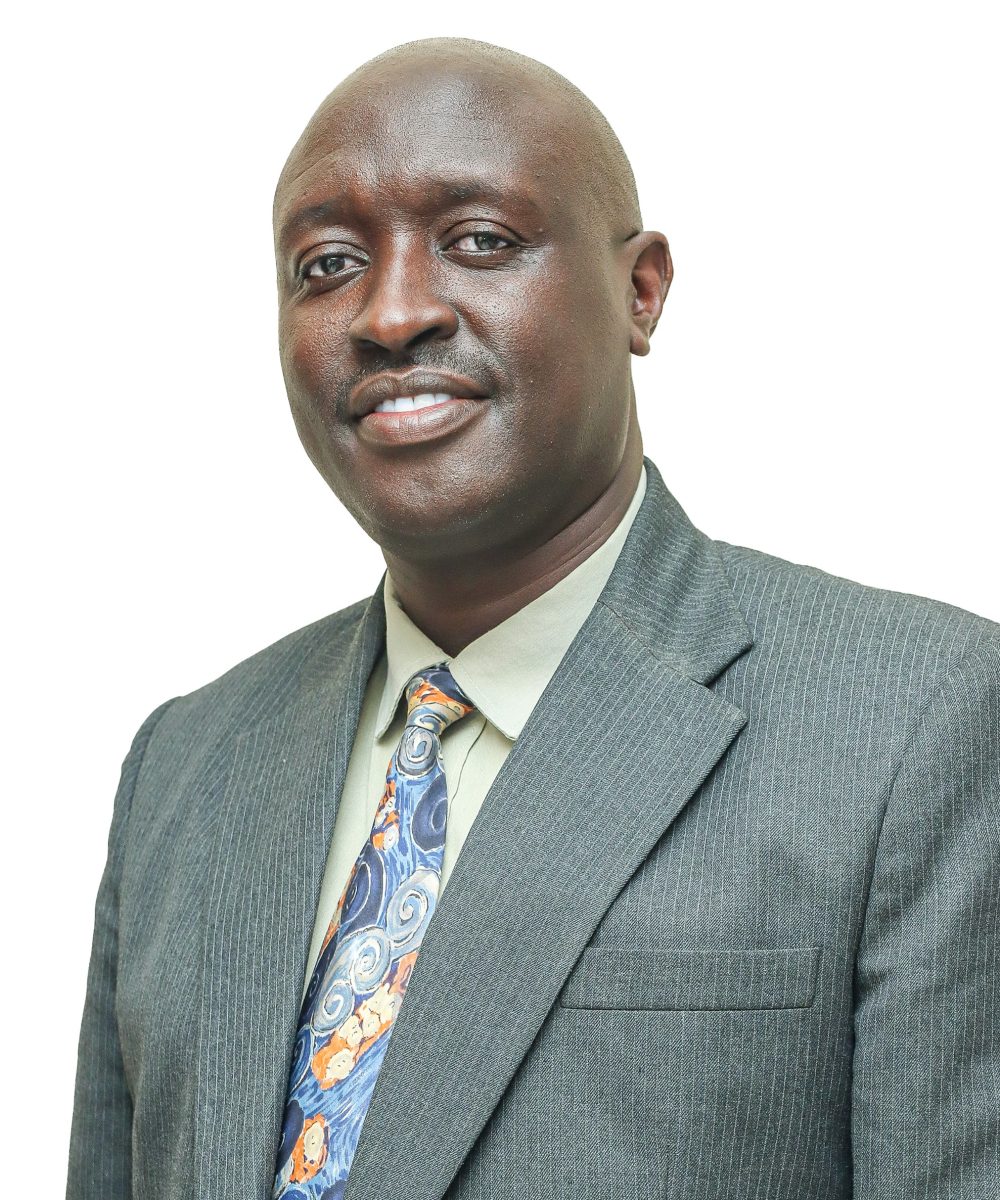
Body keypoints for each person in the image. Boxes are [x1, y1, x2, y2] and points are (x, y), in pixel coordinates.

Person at [67, 36, 999, 1200]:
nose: (392, 312)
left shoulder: (916, 726)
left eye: (479, 242)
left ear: (640, 290)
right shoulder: (187, 766)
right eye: (328, 264)